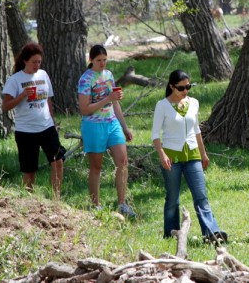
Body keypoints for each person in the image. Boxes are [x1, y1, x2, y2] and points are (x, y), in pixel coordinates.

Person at [151, 69, 227, 243]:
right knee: (172, 198)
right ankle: (171, 234)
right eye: (181, 88)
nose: (185, 91)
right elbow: (155, 135)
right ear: (171, 86)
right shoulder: (162, 105)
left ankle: (211, 233)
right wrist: (162, 154)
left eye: (188, 87)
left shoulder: (193, 103)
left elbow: (196, 130)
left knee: (201, 196)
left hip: (192, 155)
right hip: (172, 157)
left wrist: (203, 153)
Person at [78, 45, 136, 217]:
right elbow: (85, 109)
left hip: (112, 123)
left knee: (123, 162)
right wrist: (107, 99)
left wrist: (124, 126)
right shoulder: (85, 79)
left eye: (104, 59)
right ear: (91, 60)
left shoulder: (109, 75)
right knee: (96, 166)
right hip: (93, 125)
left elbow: (115, 103)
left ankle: (122, 203)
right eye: (98, 60)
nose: (102, 63)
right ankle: (95, 205)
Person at [2, 42, 65, 200]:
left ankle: (56, 199)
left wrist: (53, 122)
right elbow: (5, 106)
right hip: (26, 131)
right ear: (25, 61)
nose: (37, 65)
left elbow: (48, 101)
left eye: (39, 61)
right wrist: (22, 95)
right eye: (33, 62)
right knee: (29, 170)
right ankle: (29, 202)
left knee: (58, 161)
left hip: (47, 127)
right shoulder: (15, 80)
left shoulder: (43, 75)